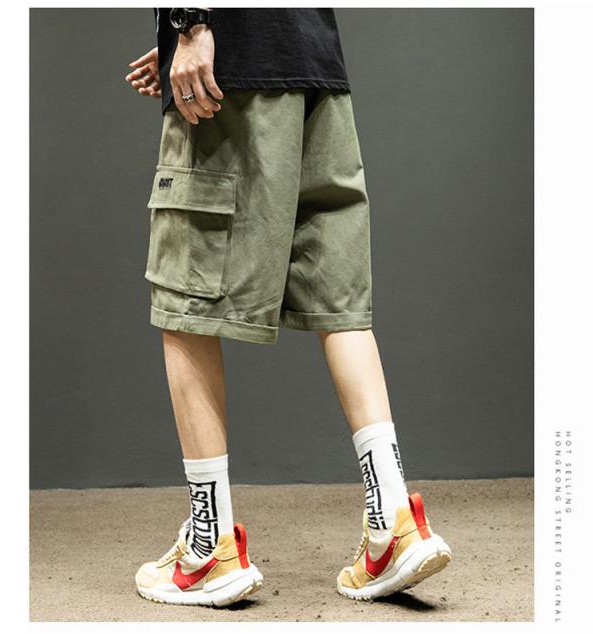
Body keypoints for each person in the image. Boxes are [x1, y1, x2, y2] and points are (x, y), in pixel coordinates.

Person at [125, 7, 451, 607]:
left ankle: (209, 550)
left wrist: (188, 24)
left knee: (185, 299)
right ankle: (394, 522)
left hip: (230, 77)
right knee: (340, 303)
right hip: (315, 67)